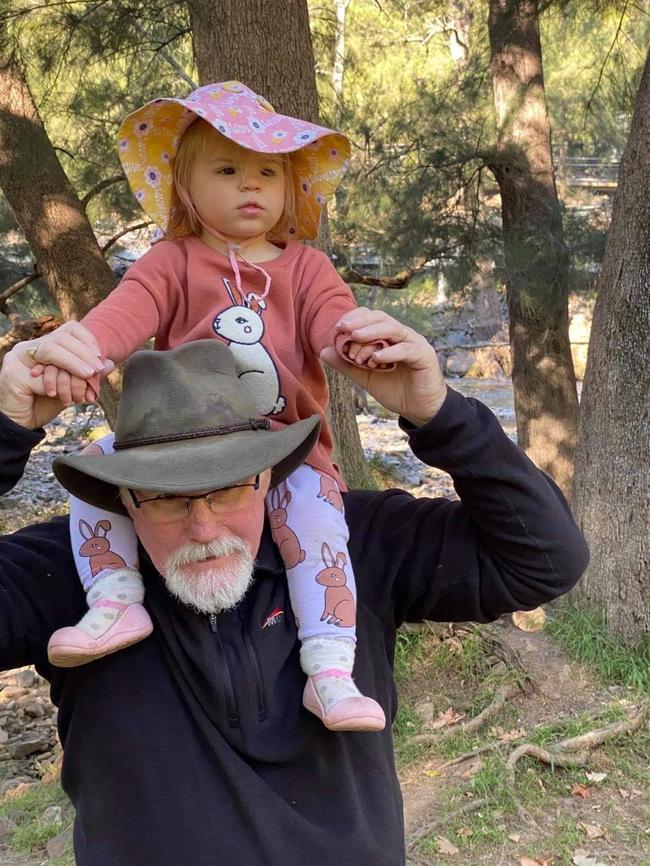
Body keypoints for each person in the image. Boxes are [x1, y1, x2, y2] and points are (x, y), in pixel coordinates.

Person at [0, 320, 588, 866]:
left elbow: (545, 559)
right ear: (124, 497)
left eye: (229, 489)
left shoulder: (353, 543)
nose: (204, 528)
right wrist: (5, 429)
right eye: (168, 497)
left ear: (269, 474)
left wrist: (440, 417)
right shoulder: (74, 569)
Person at [28, 79, 391, 732]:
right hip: (186, 442)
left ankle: (331, 667)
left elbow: (334, 326)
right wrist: (81, 351)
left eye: (268, 172)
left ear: (289, 187)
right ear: (187, 190)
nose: (250, 186)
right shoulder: (173, 261)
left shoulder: (307, 269)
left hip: (286, 441)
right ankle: (115, 597)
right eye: (227, 170)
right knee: (91, 467)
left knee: (316, 525)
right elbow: (121, 318)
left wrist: (359, 344)